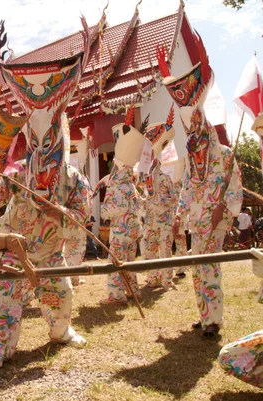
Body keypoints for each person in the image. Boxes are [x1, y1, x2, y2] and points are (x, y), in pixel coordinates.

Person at [0, 31, 90, 368]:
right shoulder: (17, 173)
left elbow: (82, 214)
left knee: (61, 299)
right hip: (17, 252)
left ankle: (61, 332)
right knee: (6, 300)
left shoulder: (72, 177)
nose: (43, 145)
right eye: (36, 139)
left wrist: (62, 212)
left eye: (51, 137)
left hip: (52, 254)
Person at [161, 34, 243, 338]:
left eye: (194, 126)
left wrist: (226, 210)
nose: (191, 132)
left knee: (209, 268)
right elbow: (189, 187)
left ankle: (214, 321)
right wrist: (180, 215)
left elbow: (233, 183)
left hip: (215, 218)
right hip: (198, 220)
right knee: (198, 268)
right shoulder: (194, 156)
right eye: (187, 128)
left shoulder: (221, 155)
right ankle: (205, 316)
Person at [99, 107, 144, 305]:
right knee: (130, 262)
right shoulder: (131, 185)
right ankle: (133, 290)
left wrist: (104, 211)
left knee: (116, 263)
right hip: (133, 230)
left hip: (119, 230)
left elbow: (115, 208)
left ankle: (116, 296)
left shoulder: (118, 185)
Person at [139, 107, 177, 290]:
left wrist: (164, 205)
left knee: (165, 251)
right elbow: (144, 197)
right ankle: (153, 278)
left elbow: (174, 197)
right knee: (150, 250)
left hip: (164, 220)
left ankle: (167, 281)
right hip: (150, 221)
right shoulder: (144, 179)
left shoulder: (165, 179)